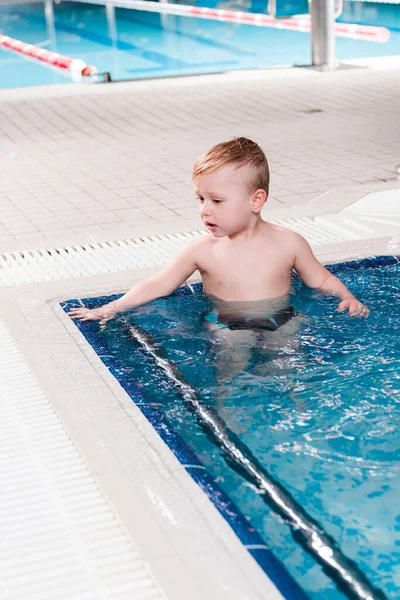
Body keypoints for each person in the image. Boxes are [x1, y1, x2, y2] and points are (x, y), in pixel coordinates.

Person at [68, 137, 369, 338]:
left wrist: (347, 297)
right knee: (229, 371)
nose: (205, 211)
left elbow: (321, 280)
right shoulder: (201, 250)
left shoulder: (289, 242)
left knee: (285, 368)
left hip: (282, 317)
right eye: (200, 199)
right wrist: (109, 309)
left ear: (256, 200)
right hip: (227, 322)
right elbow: (158, 284)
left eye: (217, 201)